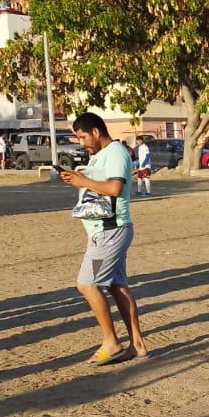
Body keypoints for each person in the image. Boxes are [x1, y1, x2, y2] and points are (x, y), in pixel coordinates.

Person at [61, 111, 149, 363]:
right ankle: (138, 346)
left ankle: (111, 342)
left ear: (96, 132)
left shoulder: (116, 152)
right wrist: (77, 179)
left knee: (87, 284)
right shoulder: (100, 155)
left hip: (109, 232)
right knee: (116, 285)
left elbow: (114, 188)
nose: (81, 143)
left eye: (83, 137)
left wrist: (83, 181)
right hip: (104, 232)